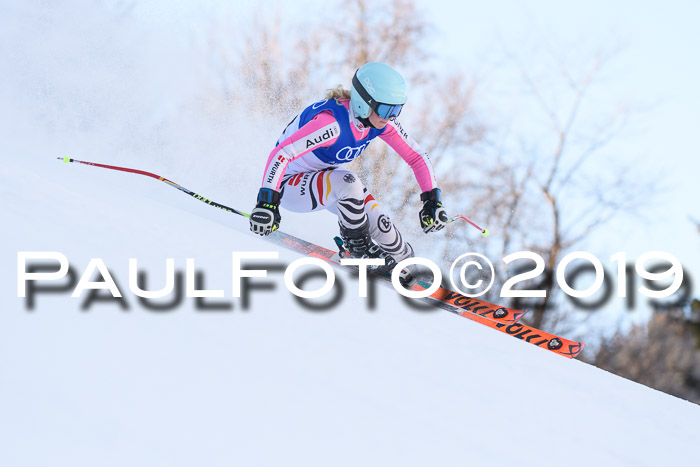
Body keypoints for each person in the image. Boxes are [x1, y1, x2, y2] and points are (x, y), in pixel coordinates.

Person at [249, 61, 448, 277]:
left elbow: (416, 157)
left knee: (382, 226)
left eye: (397, 109)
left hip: (325, 182)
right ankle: (358, 251)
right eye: (387, 109)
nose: (391, 117)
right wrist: (267, 203)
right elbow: (280, 154)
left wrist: (431, 201)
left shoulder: (381, 122)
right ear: (365, 103)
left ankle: (409, 267)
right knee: (349, 182)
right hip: (289, 186)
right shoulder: (331, 124)